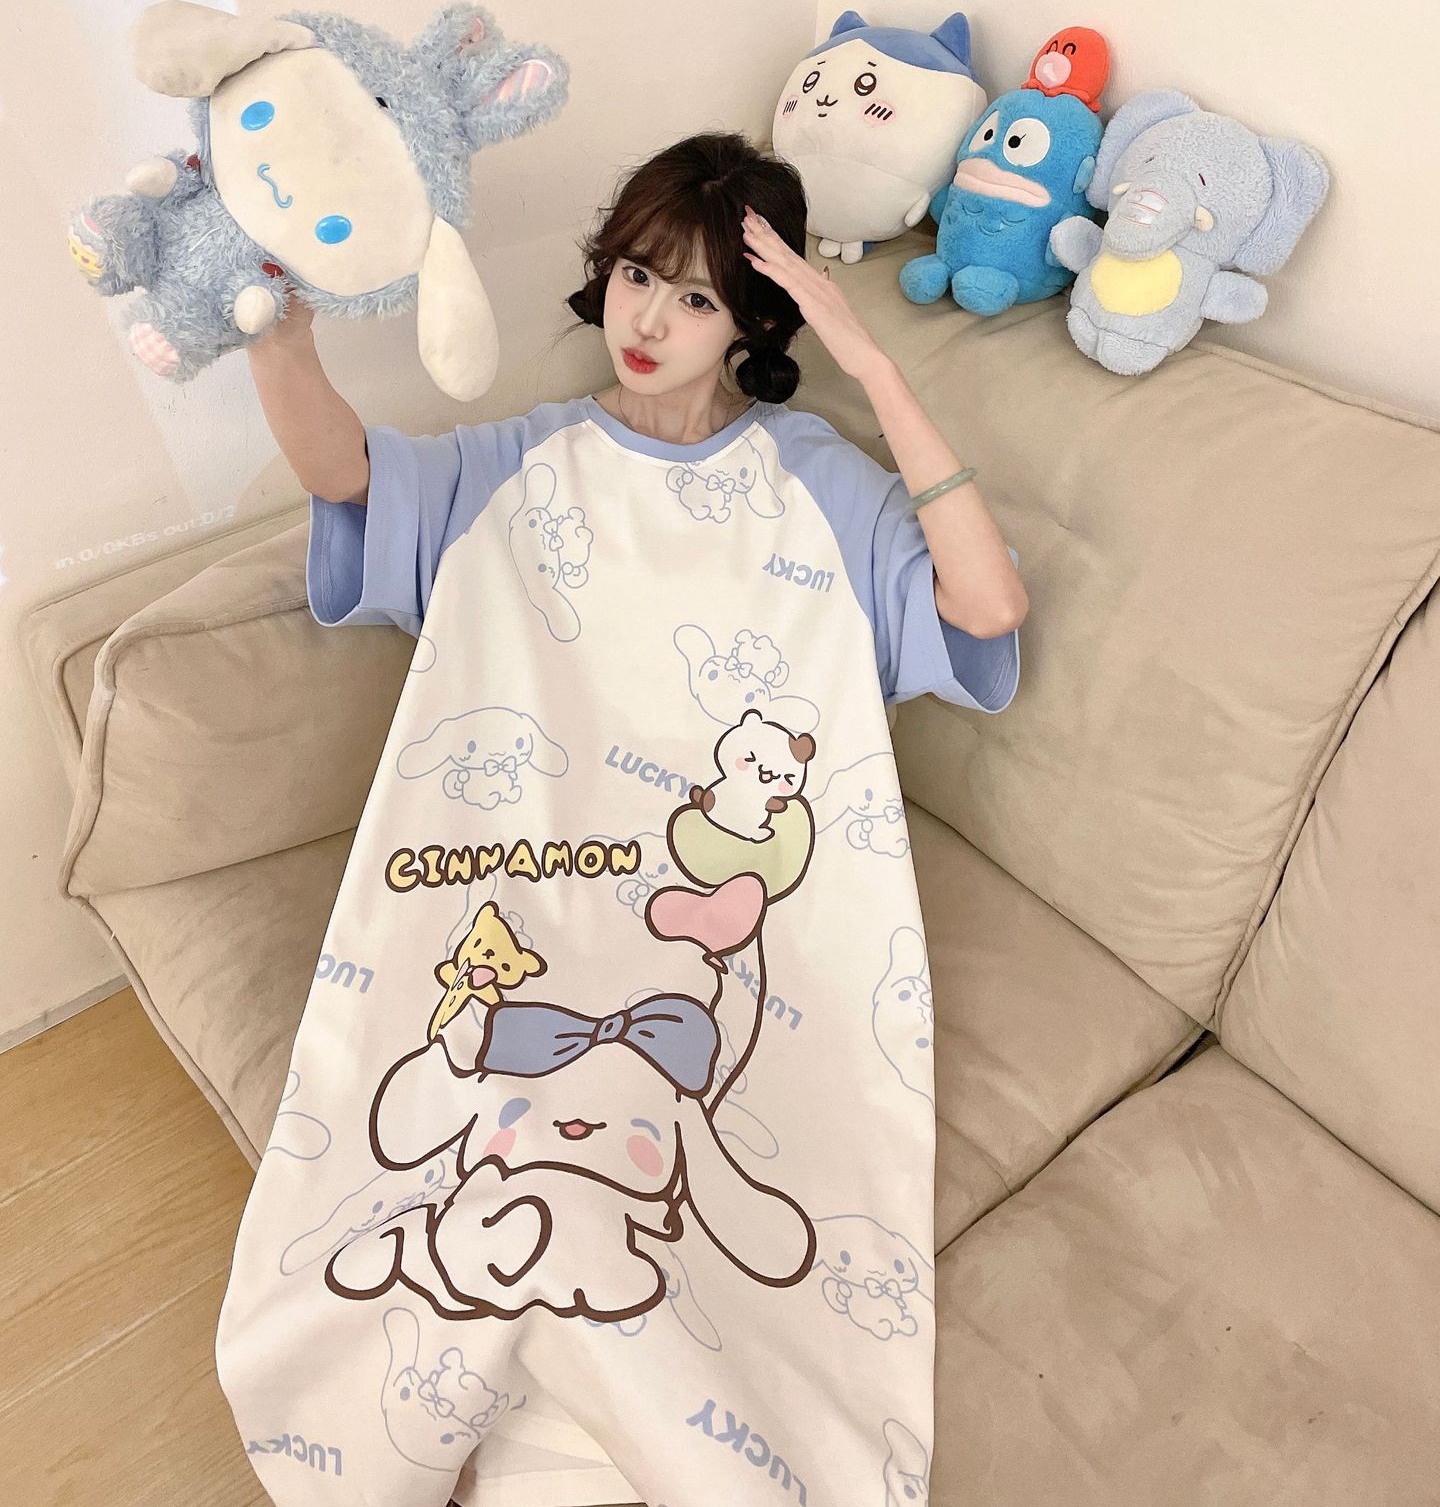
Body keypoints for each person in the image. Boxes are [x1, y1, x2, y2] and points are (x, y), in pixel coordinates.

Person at [220, 130, 1026, 1507]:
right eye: (640, 274)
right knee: (470, 1137)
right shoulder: (523, 460)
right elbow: (349, 476)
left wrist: (872, 361)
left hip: (720, 922)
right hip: (527, 870)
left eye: (700, 296)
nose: (649, 320)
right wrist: (279, 345)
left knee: (713, 1185)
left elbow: (988, 607)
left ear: (755, 323)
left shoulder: (817, 483)